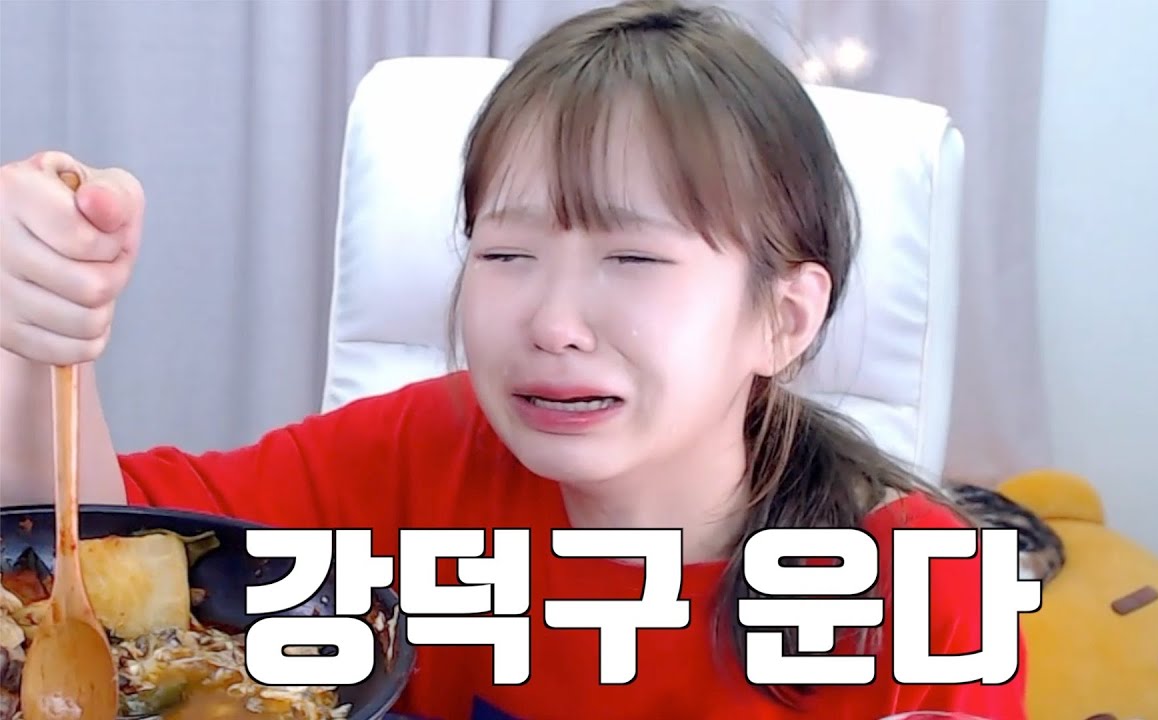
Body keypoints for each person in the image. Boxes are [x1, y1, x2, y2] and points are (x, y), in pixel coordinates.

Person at [0, 1, 1028, 718]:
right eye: (505, 254)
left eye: (633, 258)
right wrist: (32, 331)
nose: (553, 322)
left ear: (784, 319)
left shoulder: (923, 597)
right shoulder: (420, 451)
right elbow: (84, 561)